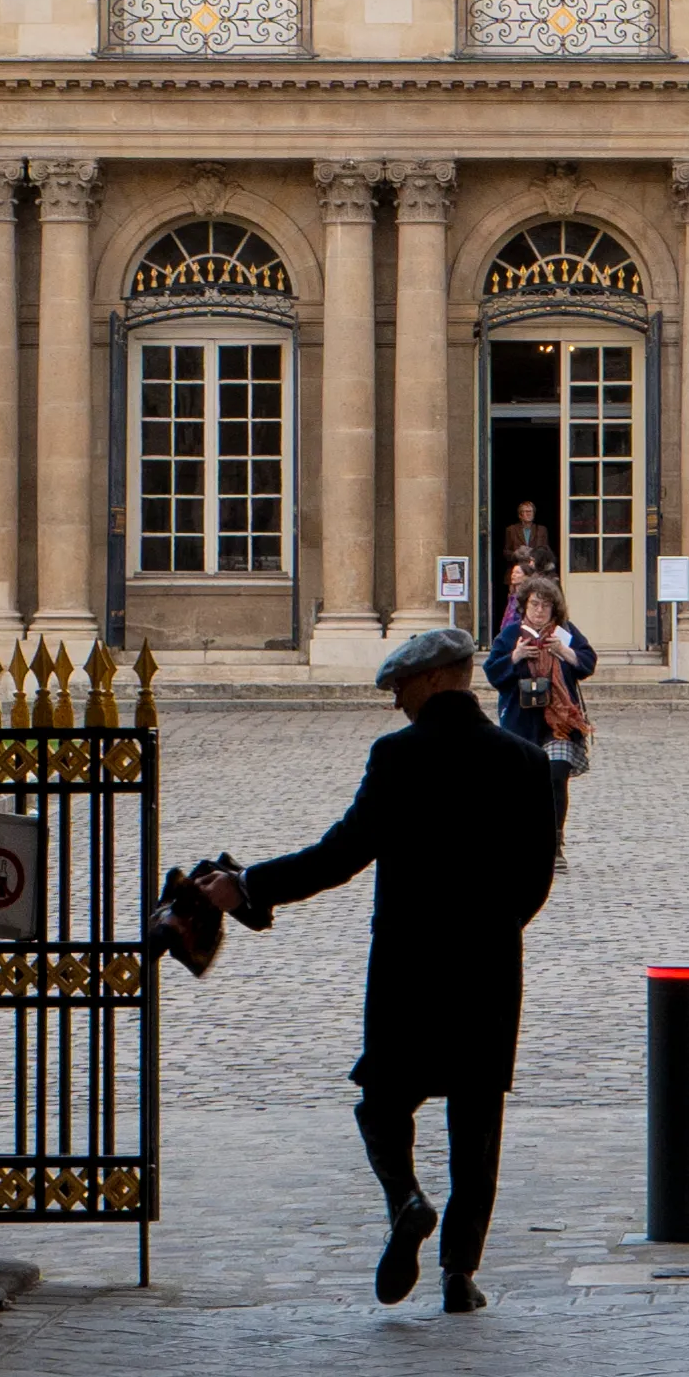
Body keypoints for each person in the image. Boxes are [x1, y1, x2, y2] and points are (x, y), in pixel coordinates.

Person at [198, 624, 555, 1314]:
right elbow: (534, 878)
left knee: (383, 1101)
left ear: (430, 680)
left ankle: (405, 1200)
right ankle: (458, 1274)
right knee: (476, 1123)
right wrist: (490, 930)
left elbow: (341, 854)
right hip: (488, 965)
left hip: (407, 963)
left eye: (398, 689)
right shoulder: (522, 761)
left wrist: (247, 886)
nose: (394, 702)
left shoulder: (398, 757)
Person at [485, 576, 596, 871]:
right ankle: (525, 840)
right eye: (535, 604)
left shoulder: (565, 633)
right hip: (521, 721)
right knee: (524, 785)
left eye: (546, 605)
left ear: (554, 609)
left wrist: (565, 652)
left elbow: (588, 662)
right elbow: (493, 673)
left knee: (555, 776)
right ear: (524, 606)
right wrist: (516, 655)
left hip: (559, 720)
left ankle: (554, 842)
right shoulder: (510, 635)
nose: (539, 611)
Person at [500, 500, 557, 578]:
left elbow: (545, 551)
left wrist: (535, 556)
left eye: (531, 511)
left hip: (536, 571)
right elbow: (506, 552)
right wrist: (516, 554)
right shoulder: (511, 529)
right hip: (517, 570)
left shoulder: (541, 530)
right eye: (526, 512)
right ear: (520, 515)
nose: (529, 514)